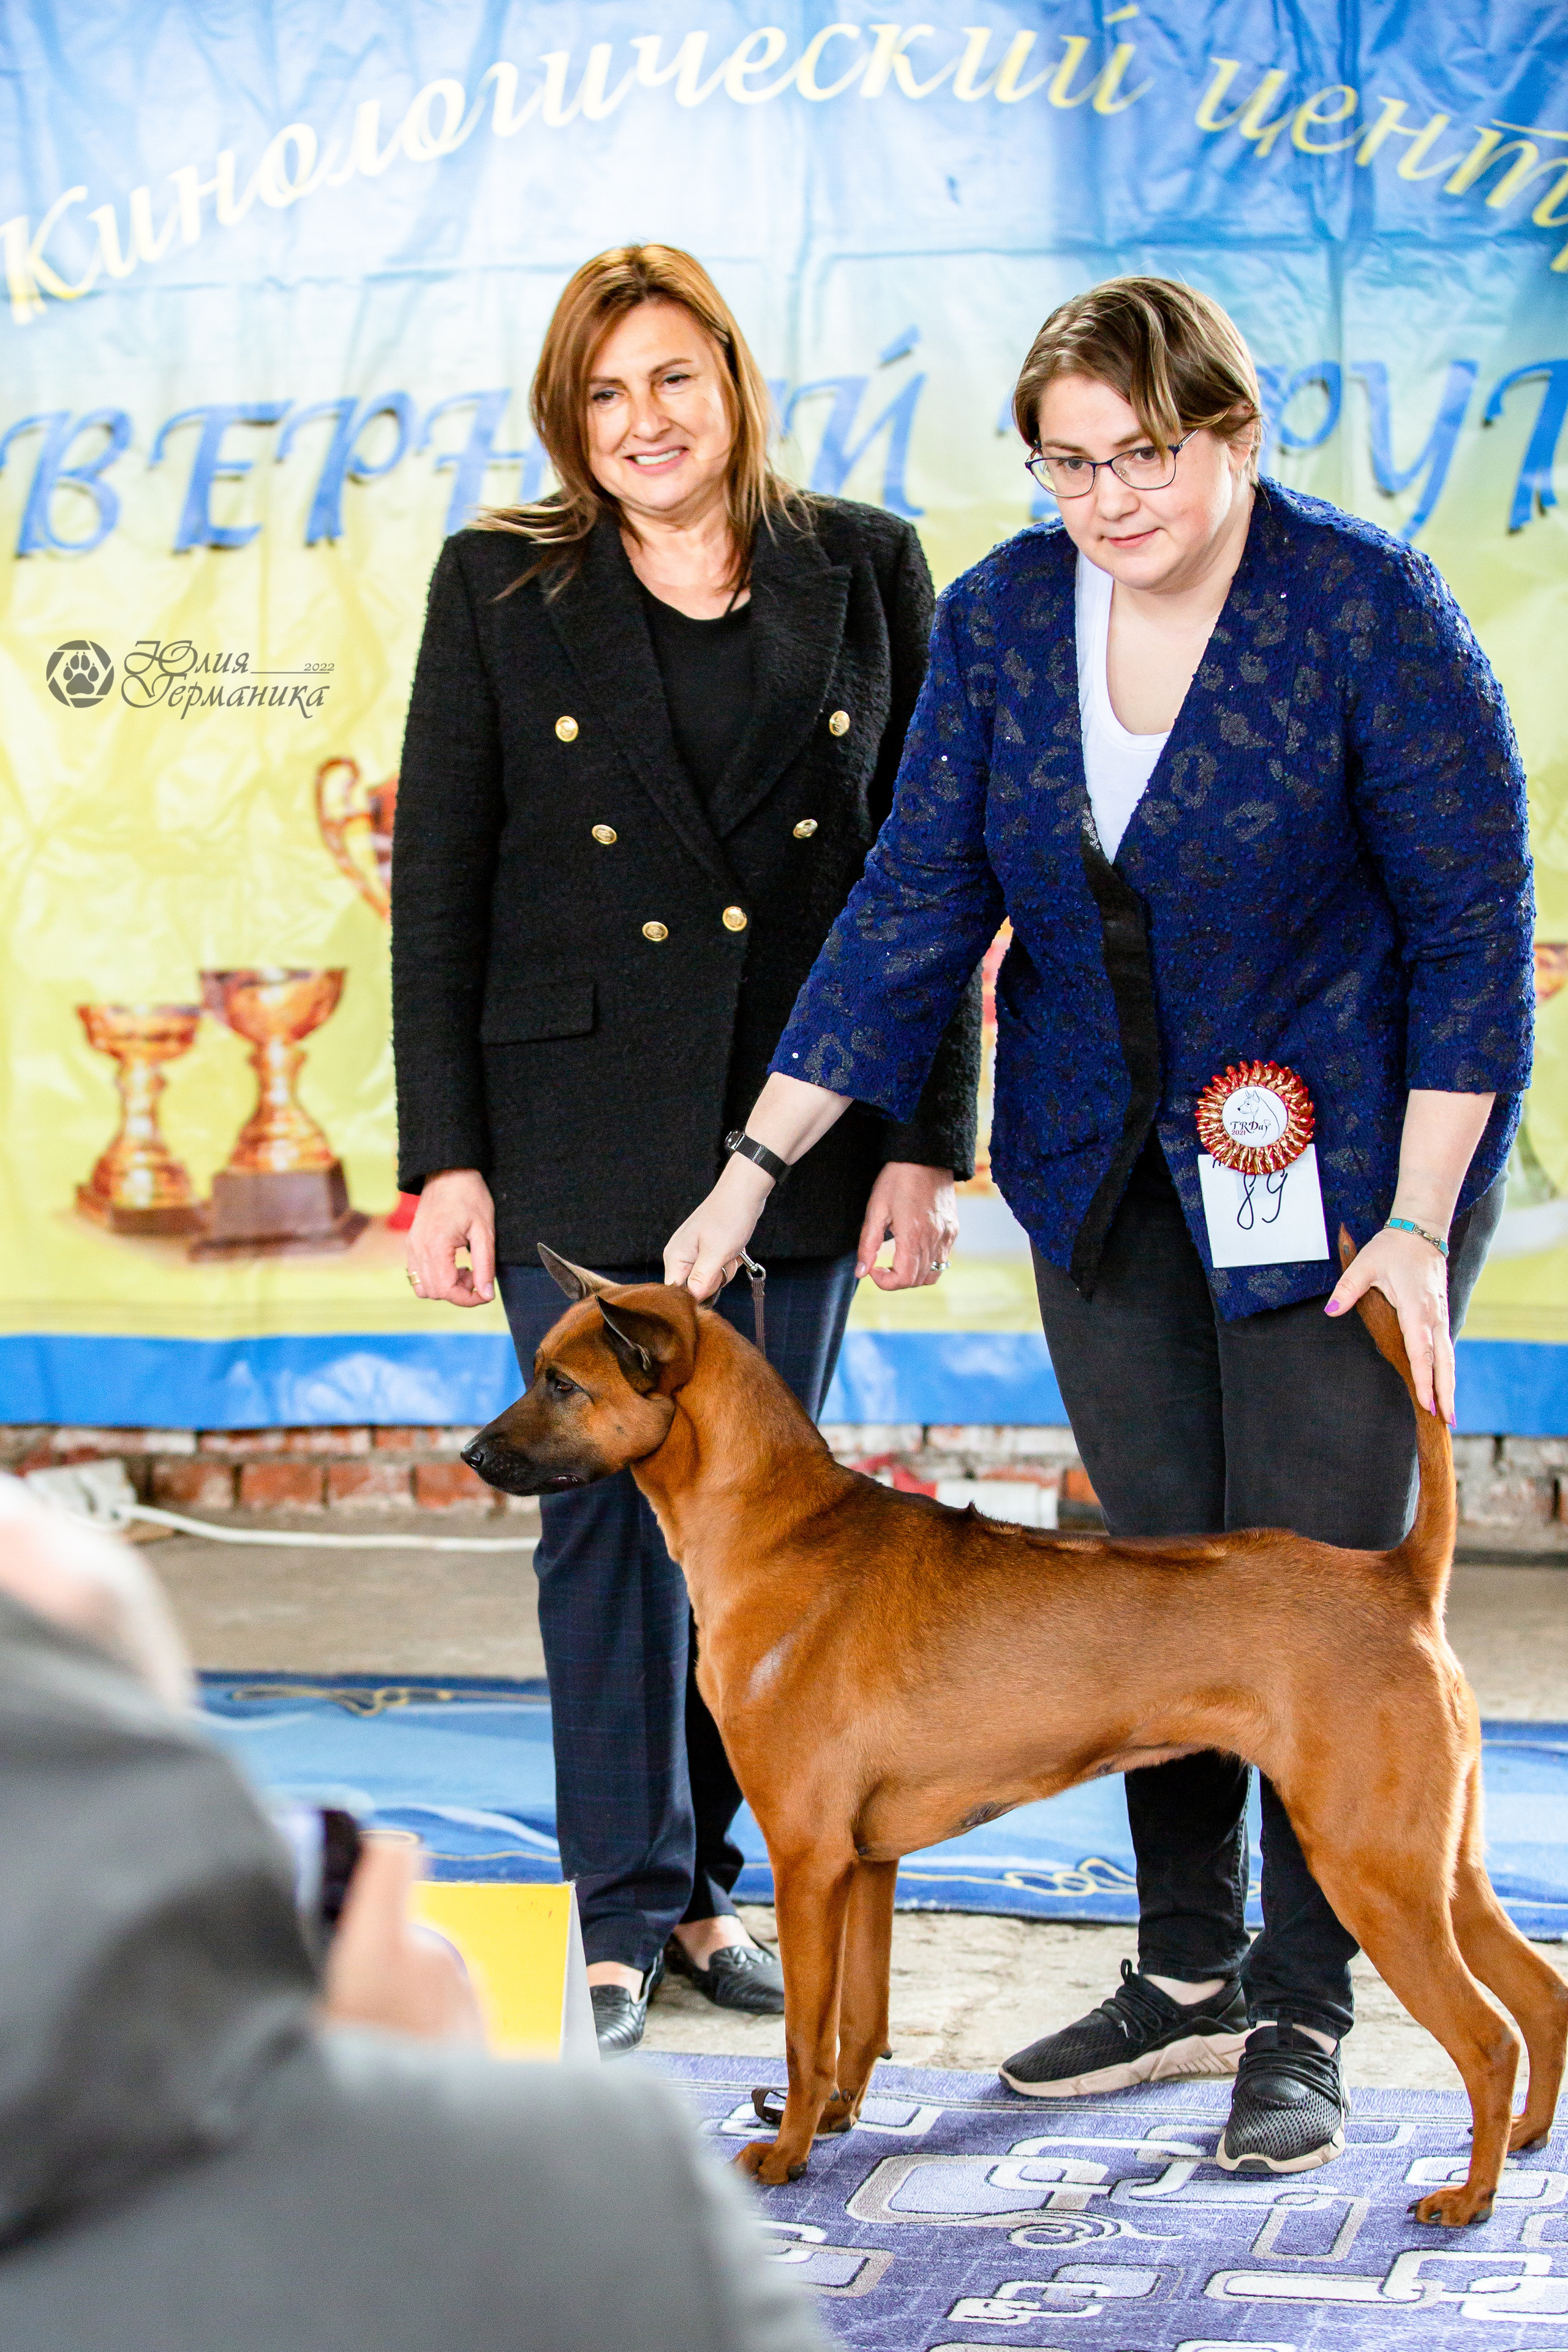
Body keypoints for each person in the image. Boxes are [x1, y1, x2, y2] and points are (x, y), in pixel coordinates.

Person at [662, 276, 1533, 2174]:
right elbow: (908, 915)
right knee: (1146, 1583)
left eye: (1142, 454)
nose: (1108, 499)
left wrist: (1420, 1219)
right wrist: (749, 1169)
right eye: (1067, 463)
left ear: (1231, 431)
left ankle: (1300, 2017)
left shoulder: (1365, 613)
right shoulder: (992, 622)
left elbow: (1475, 933)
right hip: (1099, 1174)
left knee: (1307, 1602)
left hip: (1347, 1187)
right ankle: (1189, 1966)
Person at [394, 244, 979, 2053]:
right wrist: (448, 1159)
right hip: (567, 1120)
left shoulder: (869, 564)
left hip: (799, 1126)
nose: (643, 422)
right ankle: (621, 1903)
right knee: (597, 1534)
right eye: (604, 392)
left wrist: (923, 1145)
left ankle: (721, 1890)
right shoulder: (502, 580)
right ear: (571, 418)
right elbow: (444, 880)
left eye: (673, 379)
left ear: (731, 380)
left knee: (767, 1537)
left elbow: (930, 873)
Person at [0, 1501, 826, 2352]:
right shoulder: (601, 2183)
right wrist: (438, 2144)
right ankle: (627, 1916)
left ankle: (692, 1897)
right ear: (159, 1749)